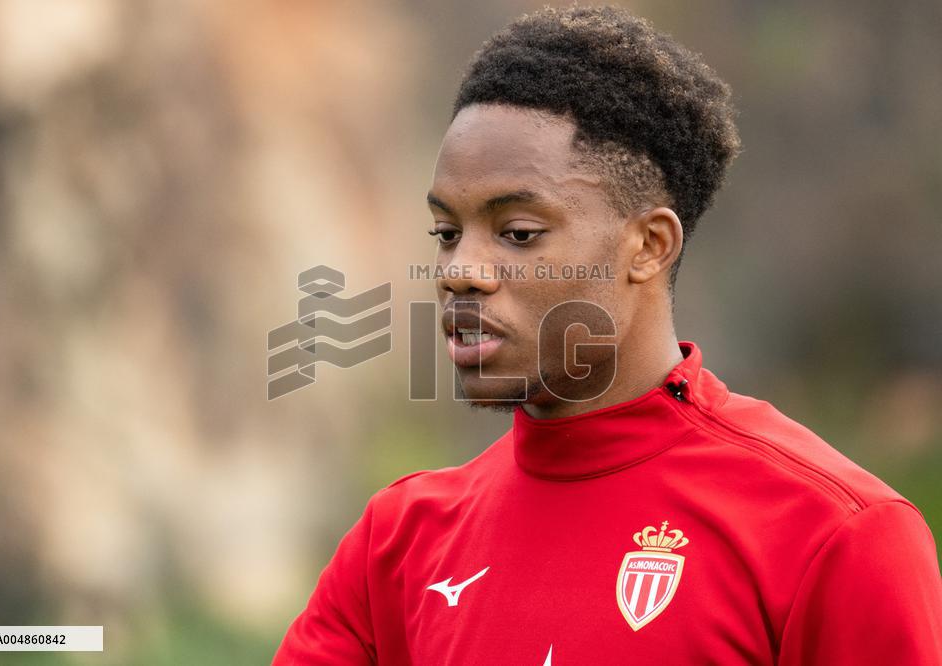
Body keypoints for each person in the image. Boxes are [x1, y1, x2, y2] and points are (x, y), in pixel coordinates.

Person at [273, 6, 942, 664]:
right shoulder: (396, 544)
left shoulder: (834, 534)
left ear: (648, 246)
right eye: (447, 234)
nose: (460, 272)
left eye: (517, 233)